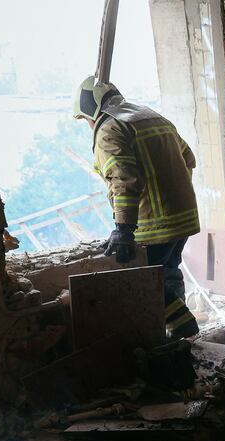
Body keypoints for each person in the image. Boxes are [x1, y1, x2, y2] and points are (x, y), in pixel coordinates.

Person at [72, 75, 201, 340]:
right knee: (168, 271)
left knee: (143, 280)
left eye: (85, 121)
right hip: (184, 217)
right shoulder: (150, 115)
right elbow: (188, 158)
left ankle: (183, 324)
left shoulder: (109, 130)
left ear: (89, 111)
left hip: (155, 223)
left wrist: (123, 229)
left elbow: (123, 179)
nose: (88, 126)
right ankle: (180, 337)